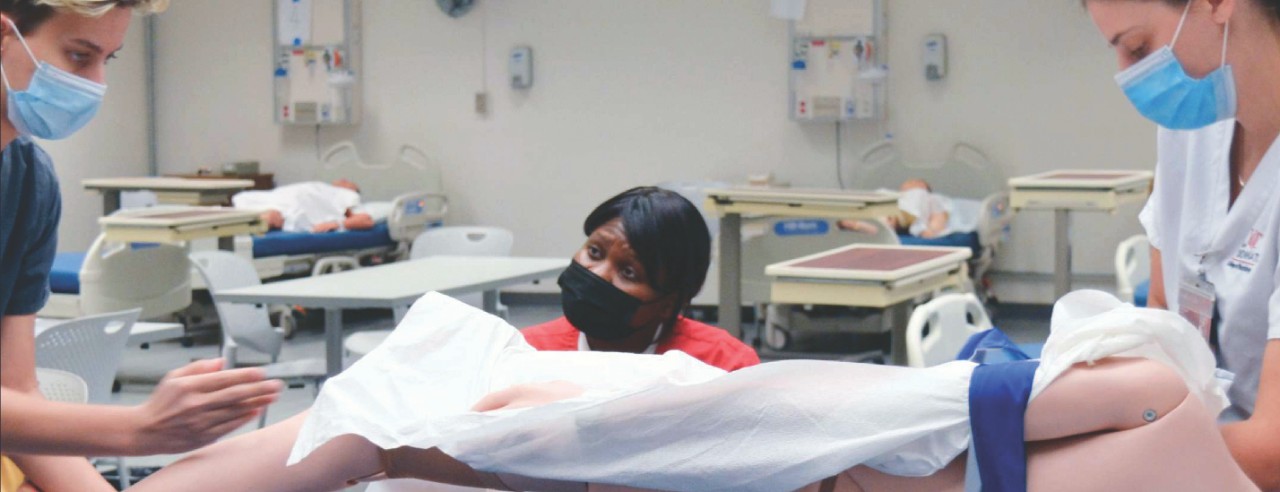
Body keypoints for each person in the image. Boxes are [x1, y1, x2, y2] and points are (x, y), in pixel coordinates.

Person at [0, 1, 281, 490]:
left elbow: (14, 388)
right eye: (79, 56)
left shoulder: (29, 183)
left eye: (108, 60)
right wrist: (136, 430)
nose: (96, 85)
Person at [1083, 0, 1279, 488]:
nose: (1127, 75)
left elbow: (1273, 450)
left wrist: (1087, 459)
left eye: (1137, 47)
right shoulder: (1190, 129)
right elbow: (1163, 312)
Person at [521, 187, 760, 372]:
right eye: (594, 252)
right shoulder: (528, 353)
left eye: (629, 272)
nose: (597, 274)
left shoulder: (723, 367)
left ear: (668, 303)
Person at [231, 178, 376, 233]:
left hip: (289, 209)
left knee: (271, 216)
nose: (343, 179)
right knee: (241, 207)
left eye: (349, 181)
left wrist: (336, 224)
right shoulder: (323, 187)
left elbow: (365, 220)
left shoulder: (348, 195)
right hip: (277, 197)